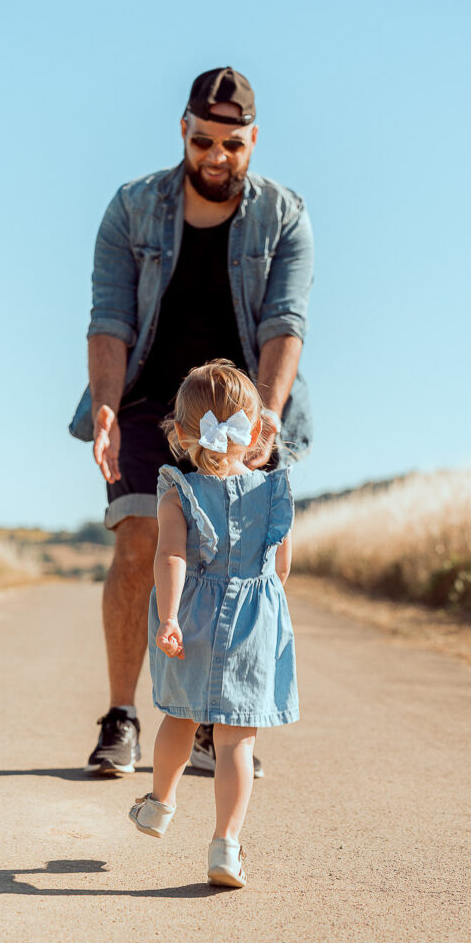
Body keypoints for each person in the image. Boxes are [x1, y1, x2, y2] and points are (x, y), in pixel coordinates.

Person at [69, 66, 313, 778]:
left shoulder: (283, 216)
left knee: (246, 562)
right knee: (143, 539)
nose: (215, 156)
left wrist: (266, 414)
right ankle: (122, 715)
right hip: (151, 405)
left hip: (243, 410)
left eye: (231, 144)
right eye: (202, 140)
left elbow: (284, 324)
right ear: (183, 130)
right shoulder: (132, 207)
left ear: (252, 140)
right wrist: (107, 406)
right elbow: (108, 318)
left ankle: (216, 719)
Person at [128, 362, 297, 888]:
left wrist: (172, 616)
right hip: (253, 621)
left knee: (180, 716)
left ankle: (159, 804)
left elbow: (171, 556)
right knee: (235, 742)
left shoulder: (177, 488)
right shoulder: (273, 489)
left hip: (194, 617)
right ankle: (225, 847)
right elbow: (281, 567)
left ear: (180, 432)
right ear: (255, 431)